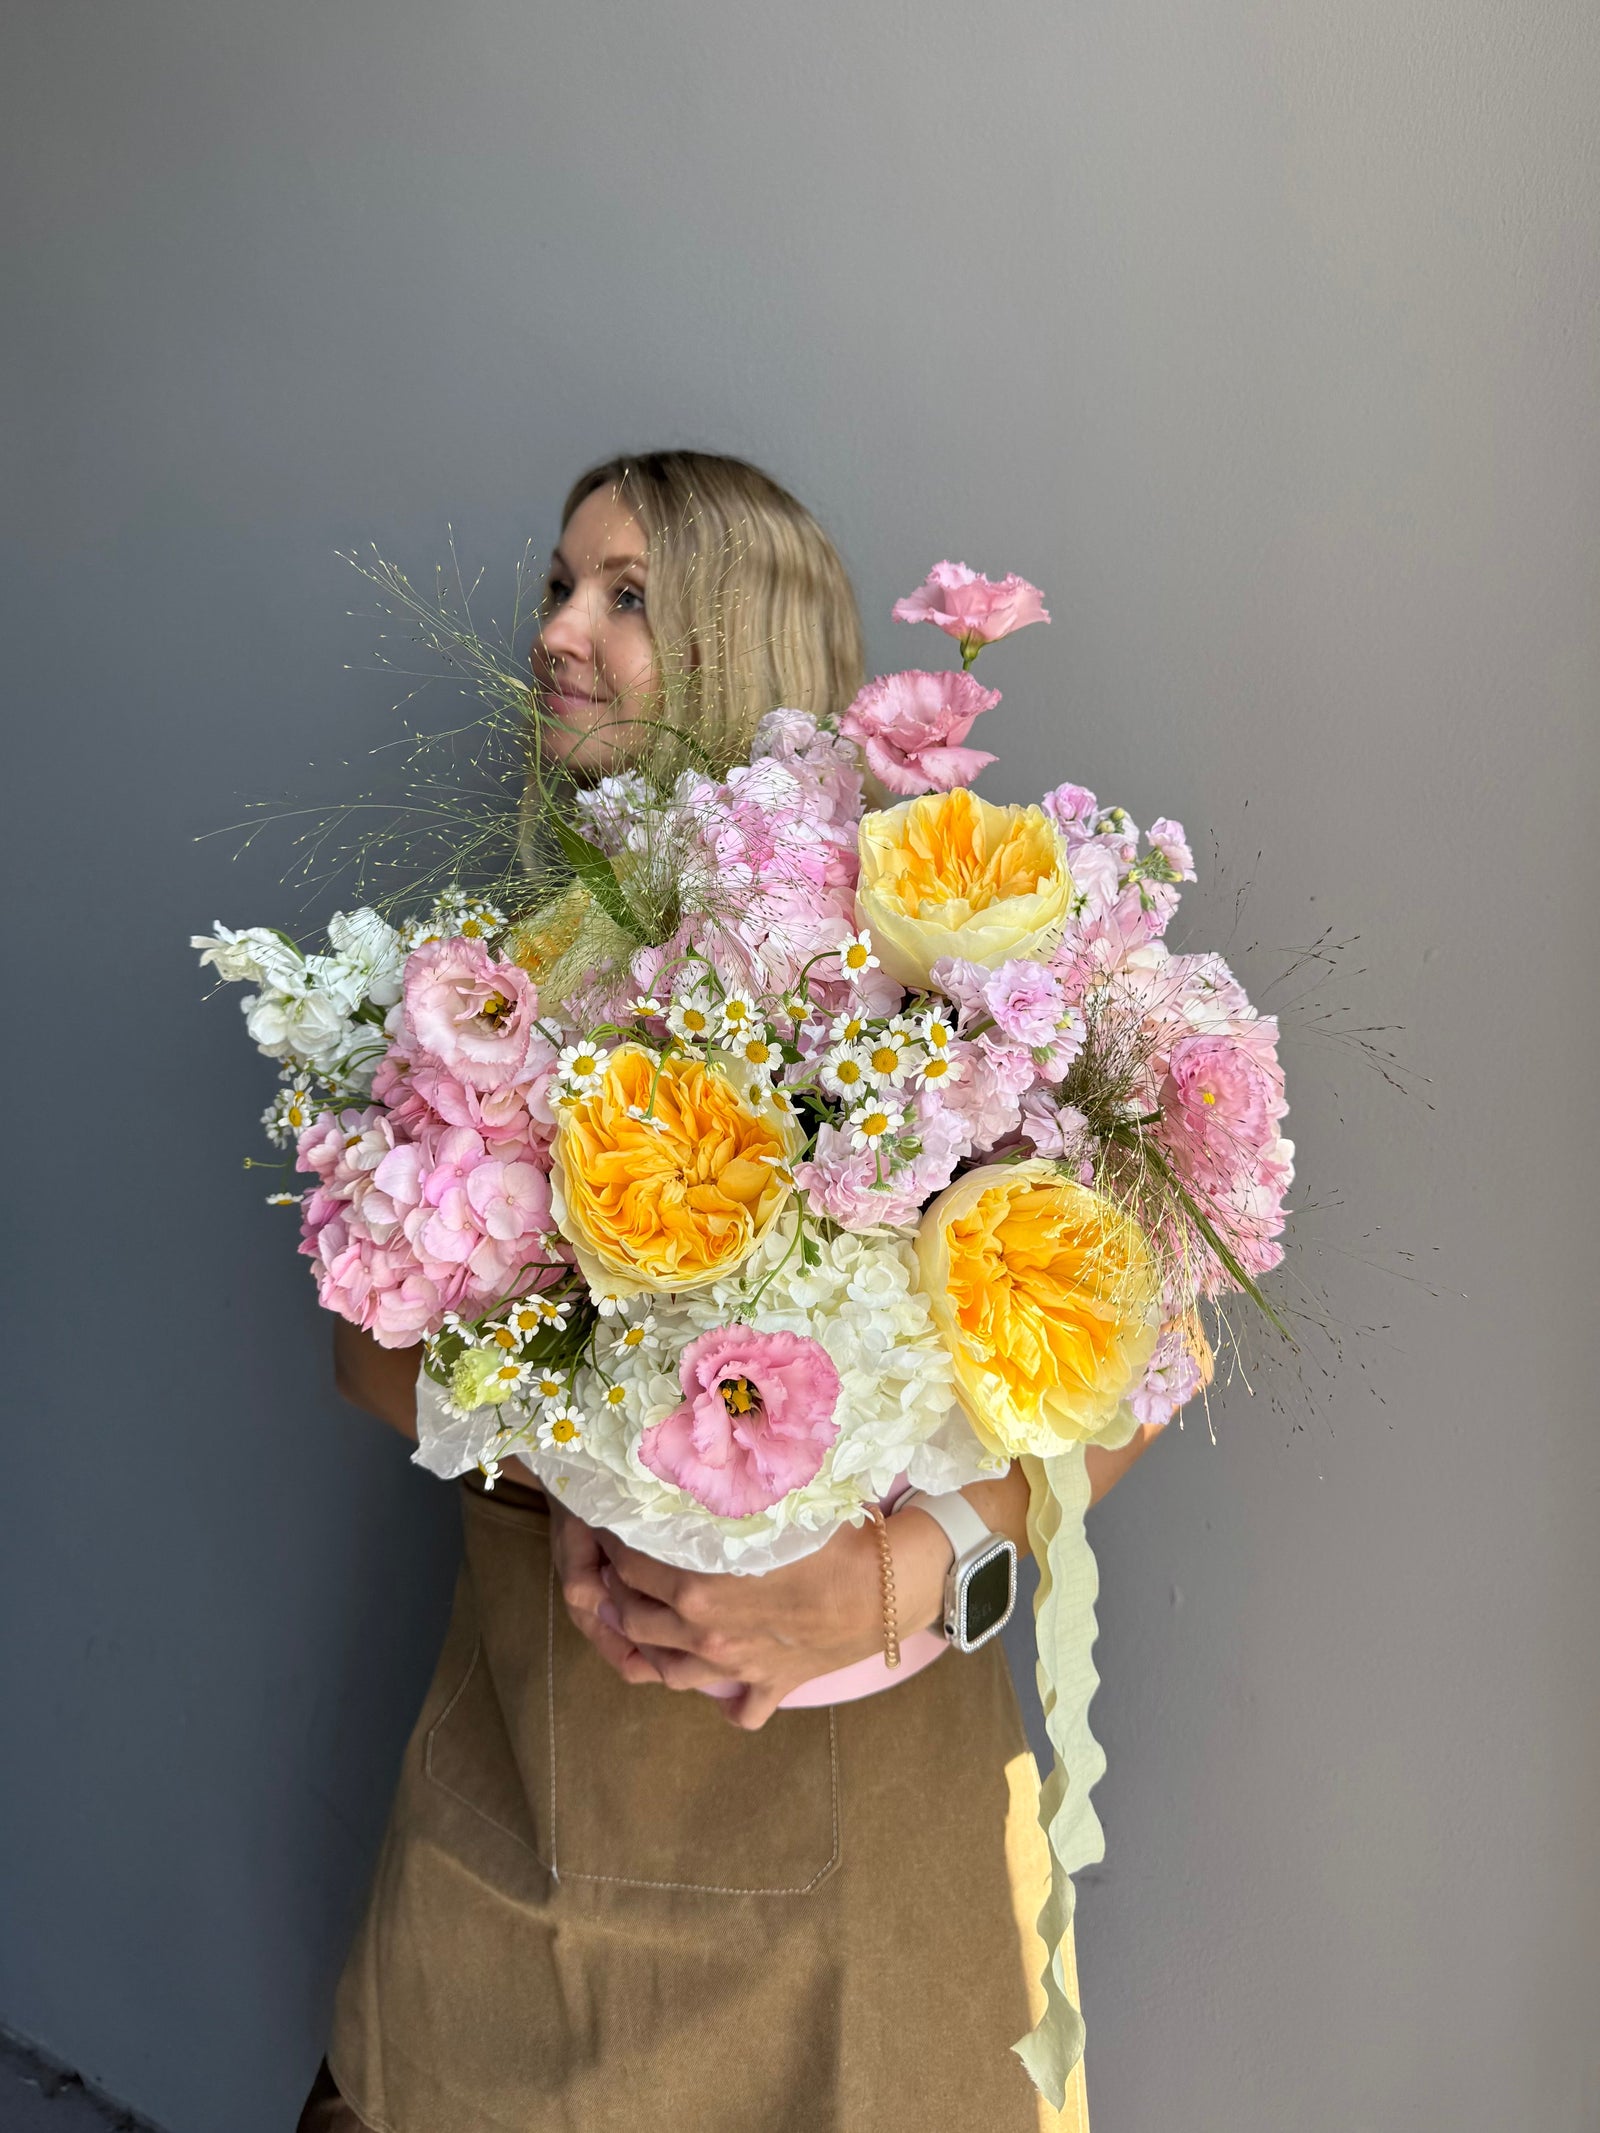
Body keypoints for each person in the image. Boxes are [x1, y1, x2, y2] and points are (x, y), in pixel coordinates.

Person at [296, 451, 1156, 2133]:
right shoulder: (495, 983)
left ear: (742, 640)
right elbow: (365, 1352)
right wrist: (622, 1462)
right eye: (560, 584)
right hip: (529, 1800)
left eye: (626, 595)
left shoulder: (937, 966)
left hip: (863, 1857)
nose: (559, 630)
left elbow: (1124, 1360)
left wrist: (907, 1571)